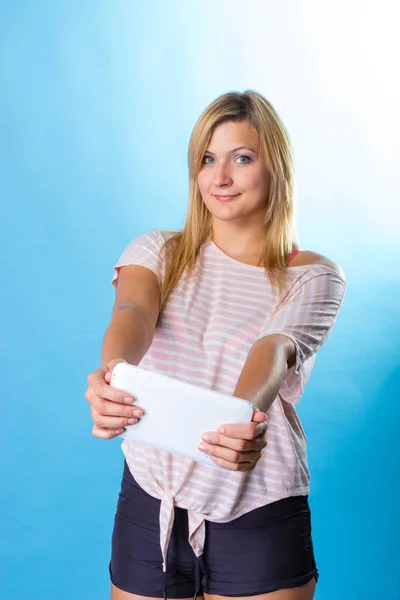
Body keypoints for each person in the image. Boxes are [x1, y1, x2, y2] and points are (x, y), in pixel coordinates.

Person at [85, 90, 346, 600]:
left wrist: (242, 414)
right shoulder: (159, 250)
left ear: (276, 168)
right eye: (207, 159)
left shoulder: (313, 276)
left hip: (259, 503)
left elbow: (272, 349)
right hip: (150, 497)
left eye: (241, 158)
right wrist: (115, 372)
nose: (219, 178)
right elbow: (133, 311)